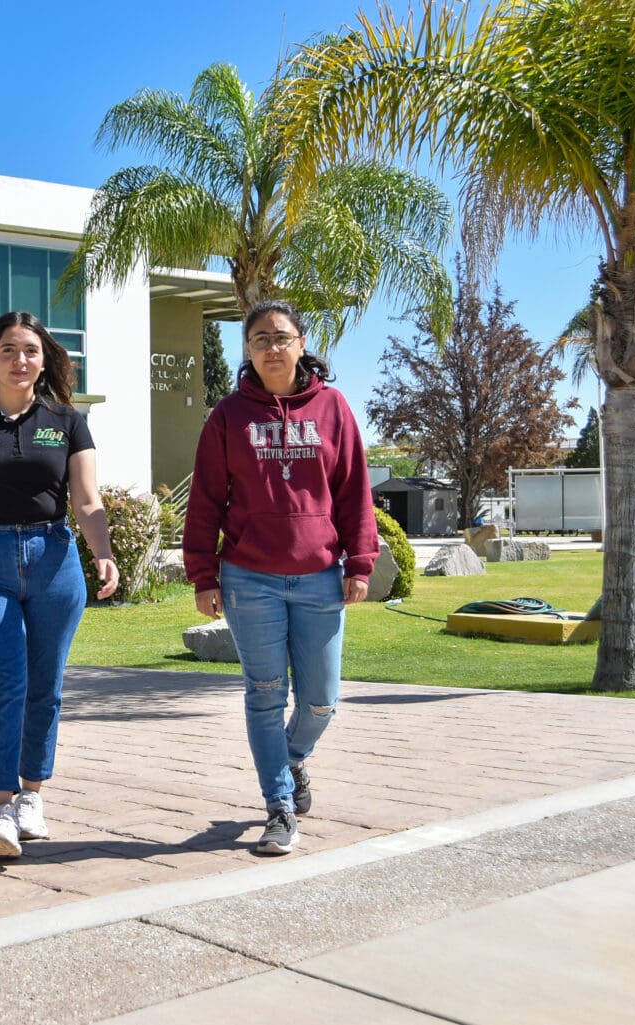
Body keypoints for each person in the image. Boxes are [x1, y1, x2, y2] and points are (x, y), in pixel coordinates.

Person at [183, 299, 377, 856]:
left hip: (319, 576)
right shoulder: (228, 416)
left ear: (301, 344)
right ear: (247, 349)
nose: (272, 347)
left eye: (282, 337)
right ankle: (279, 806)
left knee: (321, 700)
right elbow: (205, 502)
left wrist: (359, 561)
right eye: (260, 338)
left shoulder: (333, 408)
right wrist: (204, 574)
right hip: (249, 578)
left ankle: (291, 761)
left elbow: (353, 491)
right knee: (265, 695)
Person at [0, 311, 119, 858]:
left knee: (46, 685)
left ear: (45, 360)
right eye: (9, 350)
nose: (20, 360)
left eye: (30, 351)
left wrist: (103, 553)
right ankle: (0, 809)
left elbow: (86, 500)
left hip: (54, 562)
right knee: (4, 681)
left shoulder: (67, 420)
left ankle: (32, 794)